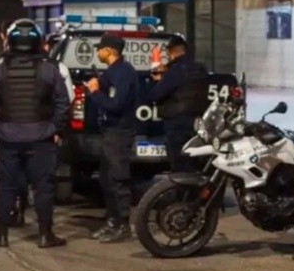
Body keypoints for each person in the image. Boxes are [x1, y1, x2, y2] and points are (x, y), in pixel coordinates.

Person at [0, 19, 71, 248]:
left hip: (9, 139)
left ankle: (1, 235)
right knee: (43, 188)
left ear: (9, 42)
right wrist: (55, 128)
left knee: (5, 187)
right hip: (41, 139)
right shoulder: (49, 71)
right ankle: (45, 235)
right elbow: (63, 103)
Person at [86, 33, 139, 243]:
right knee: (106, 179)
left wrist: (95, 92)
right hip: (110, 132)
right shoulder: (112, 72)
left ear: (108, 51)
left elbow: (116, 104)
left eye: (100, 48)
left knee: (118, 179)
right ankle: (112, 221)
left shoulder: (124, 72)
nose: (97, 52)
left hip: (120, 132)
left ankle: (123, 224)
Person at [145, 34, 209, 173]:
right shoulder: (201, 69)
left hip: (177, 126)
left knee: (180, 168)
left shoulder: (176, 70)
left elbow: (155, 95)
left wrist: (157, 80)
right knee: (194, 167)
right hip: (198, 124)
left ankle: (184, 194)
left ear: (171, 52)